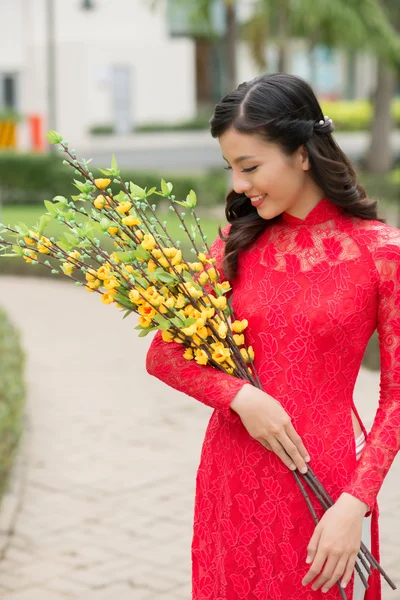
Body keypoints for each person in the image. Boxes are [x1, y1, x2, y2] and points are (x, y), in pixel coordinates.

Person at [146, 72, 400, 600]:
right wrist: (240, 396)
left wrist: (356, 502)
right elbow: (164, 353)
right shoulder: (232, 248)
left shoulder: (381, 253)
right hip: (232, 477)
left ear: (302, 154)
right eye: (232, 169)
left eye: (250, 166)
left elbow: (396, 394)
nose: (239, 185)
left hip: (327, 483)